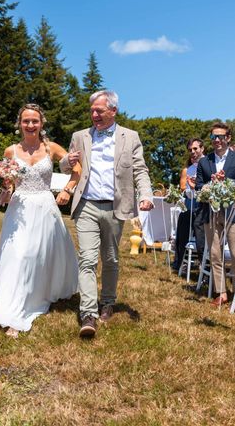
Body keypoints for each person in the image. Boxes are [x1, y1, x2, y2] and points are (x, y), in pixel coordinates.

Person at [60, 90, 154, 338]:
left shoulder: (130, 137)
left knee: (110, 258)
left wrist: (146, 195)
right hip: (86, 205)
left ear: (113, 111)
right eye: (91, 111)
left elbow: (140, 170)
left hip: (115, 207)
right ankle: (88, 313)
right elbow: (65, 166)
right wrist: (67, 161)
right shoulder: (79, 136)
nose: (94, 115)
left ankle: (108, 301)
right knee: (87, 259)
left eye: (99, 111)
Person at [0, 104, 80, 338]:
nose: (30, 125)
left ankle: (36, 294)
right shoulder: (11, 151)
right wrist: (6, 190)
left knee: (37, 255)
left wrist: (67, 190)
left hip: (43, 207)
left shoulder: (52, 148)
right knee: (18, 254)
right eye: (26, 121)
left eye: (34, 121)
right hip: (19, 209)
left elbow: (77, 169)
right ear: (19, 123)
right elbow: (9, 181)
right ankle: (14, 310)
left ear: (42, 124)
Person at [195, 122, 235, 308]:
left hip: (234, 212)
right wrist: (210, 184)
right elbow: (198, 187)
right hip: (210, 213)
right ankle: (221, 292)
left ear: (228, 138)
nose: (216, 140)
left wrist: (226, 181)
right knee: (215, 254)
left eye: (220, 137)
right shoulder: (205, 161)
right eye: (213, 137)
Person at [172, 138, 205, 272]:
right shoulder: (190, 169)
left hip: (204, 207)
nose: (192, 152)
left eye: (195, 149)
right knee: (182, 226)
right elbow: (185, 188)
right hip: (190, 204)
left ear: (202, 149)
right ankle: (179, 263)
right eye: (190, 150)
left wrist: (196, 187)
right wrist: (189, 189)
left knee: (201, 237)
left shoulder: (209, 164)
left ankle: (204, 267)